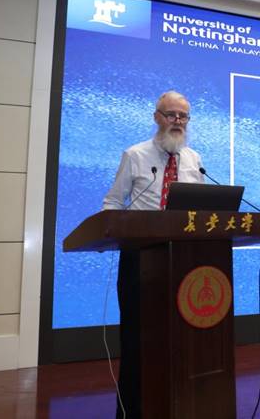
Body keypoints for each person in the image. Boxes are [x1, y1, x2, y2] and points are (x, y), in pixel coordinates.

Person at [102, 90, 204, 418]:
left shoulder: (194, 159)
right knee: (138, 340)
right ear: (156, 117)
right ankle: (133, 411)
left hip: (184, 259)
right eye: (171, 114)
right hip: (141, 259)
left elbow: (201, 209)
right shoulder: (135, 155)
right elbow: (113, 201)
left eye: (183, 116)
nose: (177, 121)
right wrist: (115, 230)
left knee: (182, 339)